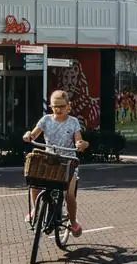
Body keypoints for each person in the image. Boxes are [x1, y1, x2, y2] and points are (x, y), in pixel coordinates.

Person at [23, 90, 89, 233]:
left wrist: (81, 144)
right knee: (34, 184)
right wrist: (29, 135)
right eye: (55, 106)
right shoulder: (46, 120)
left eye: (61, 106)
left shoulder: (73, 122)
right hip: (49, 161)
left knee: (69, 195)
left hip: (68, 162)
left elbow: (79, 140)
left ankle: (73, 222)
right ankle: (35, 209)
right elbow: (34, 134)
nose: (58, 109)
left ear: (68, 106)